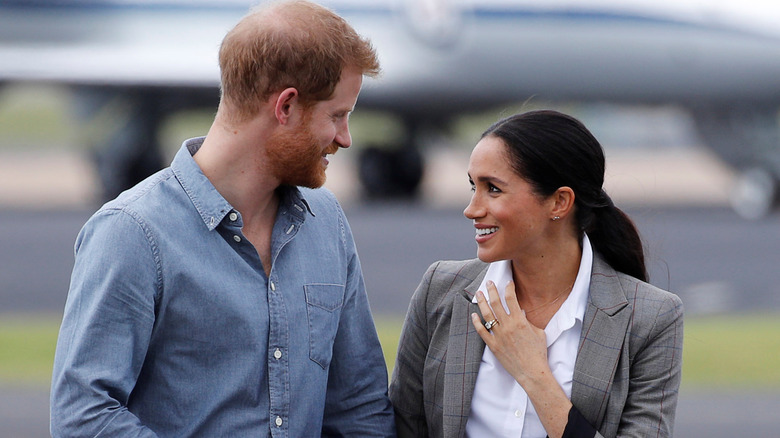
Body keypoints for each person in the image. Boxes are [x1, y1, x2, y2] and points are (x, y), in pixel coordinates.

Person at [50, 1, 396, 436]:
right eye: (337, 116)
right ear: (286, 106)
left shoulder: (326, 223)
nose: (345, 138)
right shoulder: (132, 232)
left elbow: (359, 408)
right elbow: (84, 415)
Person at [389, 110, 684, 438]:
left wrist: (533, 373)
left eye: (493, 189)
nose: (472, 208)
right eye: (474, 186)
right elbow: (402, 427)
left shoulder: (652, 318)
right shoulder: (441, 289)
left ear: (559, 202)